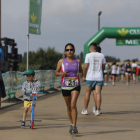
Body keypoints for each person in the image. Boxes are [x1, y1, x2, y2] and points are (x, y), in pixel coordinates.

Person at [55, 43, 82, 134]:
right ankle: (71, 124)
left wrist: (81, 74)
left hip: (75, 85)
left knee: (73, 104)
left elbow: (81, 71)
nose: (69, 51)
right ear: (65, 52)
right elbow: (56, 72)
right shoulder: (61, 61)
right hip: (65, 85)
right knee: (68, 107)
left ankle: (74, 126)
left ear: (74, 51)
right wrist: (61, 74)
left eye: (71, 49)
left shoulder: (78, 61)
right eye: (67, 50)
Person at [81, 43, 106, 116]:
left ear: (90, 48)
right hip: (99, 77)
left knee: (87, 93)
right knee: (98, 93)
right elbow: (103, 67)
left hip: (90, 77)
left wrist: (84, 76)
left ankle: (85, 110)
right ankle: (97, 110)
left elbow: (85, 67)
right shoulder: (102, 55)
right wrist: (101, 72)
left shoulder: (88, 55)